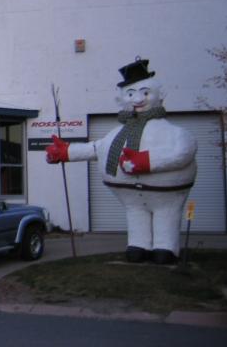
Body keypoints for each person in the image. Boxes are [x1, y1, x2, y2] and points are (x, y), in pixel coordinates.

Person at [46, 58, 197, 264]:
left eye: (145, 93)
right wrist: (67, 152)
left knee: (166, 214)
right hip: (129, 194)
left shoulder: (173, 133)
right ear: (123, 98)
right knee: (136, 214)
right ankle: (139, 245)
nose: (138, 99)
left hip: (165, 194)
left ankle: (166, 247)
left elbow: (183, 153)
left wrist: (146, 162)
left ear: (158, 95)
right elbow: (97, 148)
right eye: (131, 94)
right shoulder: (116, 134)